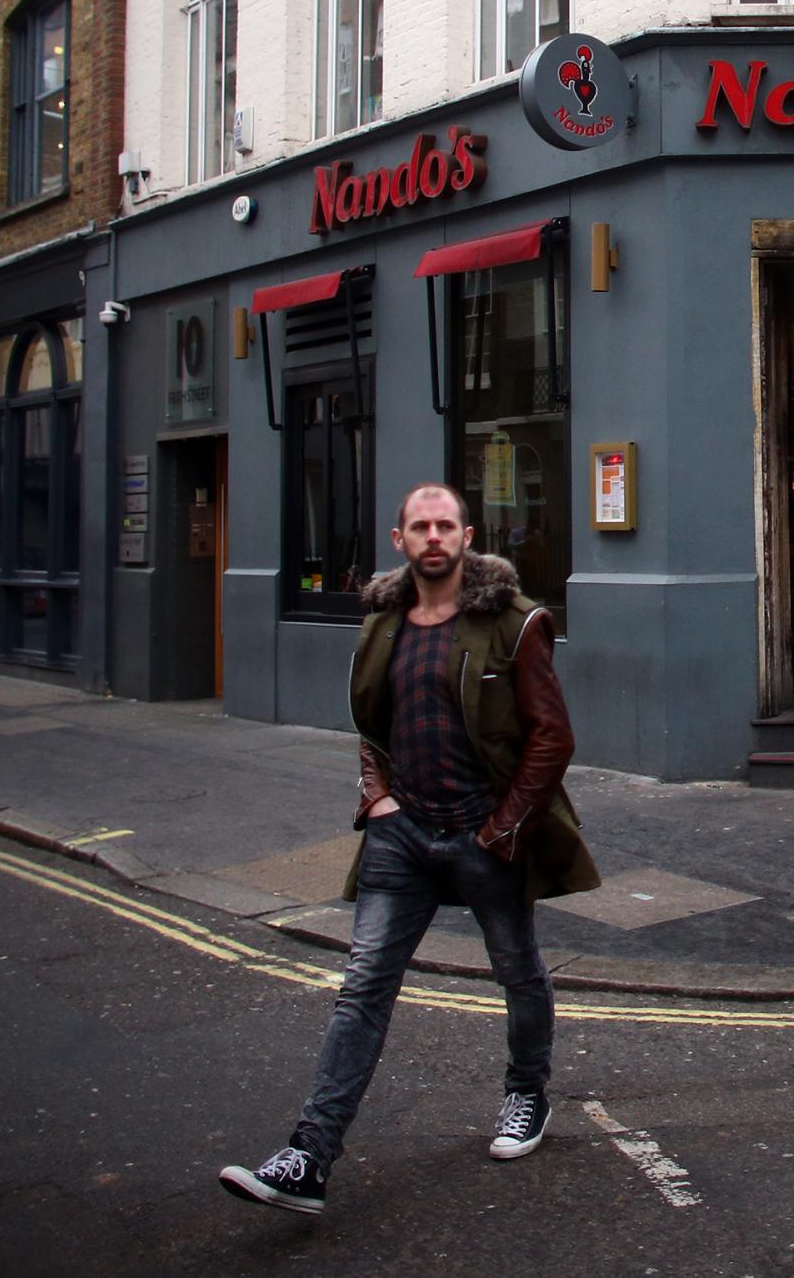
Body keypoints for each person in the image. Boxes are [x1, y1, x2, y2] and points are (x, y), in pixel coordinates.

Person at [221, 483, 600, 1215]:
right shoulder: (381, 623)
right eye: (420, 525)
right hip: (402, 833)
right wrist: (377, 795)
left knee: (518, 971)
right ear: (399, 538)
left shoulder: (514, 624)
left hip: (483, 832)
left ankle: (527, 1093)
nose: (433, 536)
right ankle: (309, 1153)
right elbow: (371, 721)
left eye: (445, 525)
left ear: (466, 536)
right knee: (362, 984)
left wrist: (504, 827)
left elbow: (553, 735)